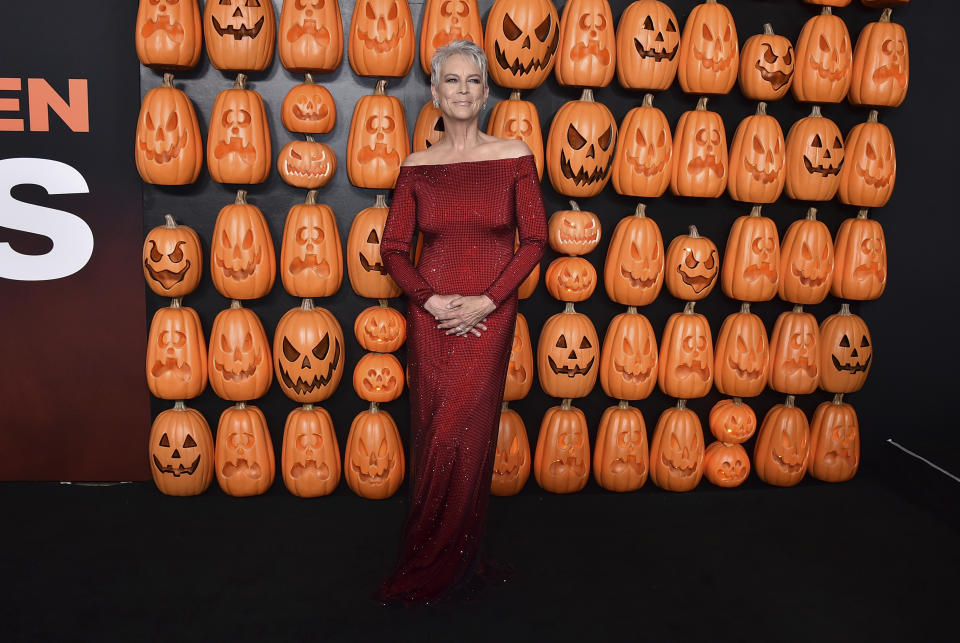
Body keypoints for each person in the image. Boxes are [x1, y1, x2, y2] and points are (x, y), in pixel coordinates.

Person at [373, 40, 547, 606]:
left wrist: (489, 301)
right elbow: (395, 249)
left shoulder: (514, 153)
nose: (464, 91)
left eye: (473, 81)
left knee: (464, 435)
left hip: (489, 315)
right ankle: (426, 552)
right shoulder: (417, 166)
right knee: (431, 434)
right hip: (432, 314)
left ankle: (453, 558)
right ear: (435, 92)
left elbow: (536, 240)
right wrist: (427, 300)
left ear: (487, 91)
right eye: (452, 81)